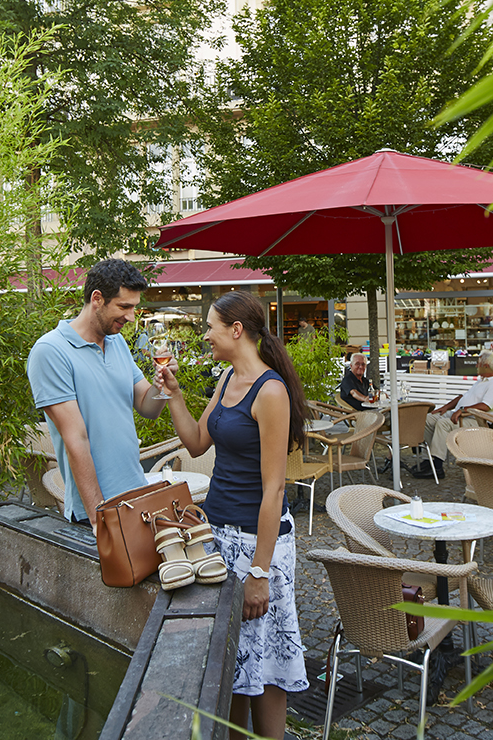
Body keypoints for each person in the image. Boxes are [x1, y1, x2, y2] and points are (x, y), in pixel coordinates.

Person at [156, 291, 309, 740]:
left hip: (259, 543)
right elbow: (196, 442)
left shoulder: (271, 391)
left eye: (210, 327)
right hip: (218, 537)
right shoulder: (226, 379)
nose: (205, 335)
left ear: (236, 330)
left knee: (267, 661)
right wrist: (174, 394)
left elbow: (274, 488)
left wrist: (260, 571)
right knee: (233, 660)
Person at [27, 259, 166, 530]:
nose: (131, 317)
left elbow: (148, 407)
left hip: (137, 496)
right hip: (97, 512)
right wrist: (99, 519)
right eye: (124, 307)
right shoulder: (50, 351)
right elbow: (75, 440)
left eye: (134, 307)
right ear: (97, 299)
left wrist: (162, 387)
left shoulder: (117, 342)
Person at [412, 351, 493, 479]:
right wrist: (445, 407)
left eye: (478, 363)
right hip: (462, 415)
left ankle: (437, 466)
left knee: (443, 424)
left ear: (486, 366)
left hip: (477, 421)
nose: (476, 366)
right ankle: (428, 460)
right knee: (427, 419)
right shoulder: (482, 381)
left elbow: (485, 406)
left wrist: (462, 410)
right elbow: (462, 397)